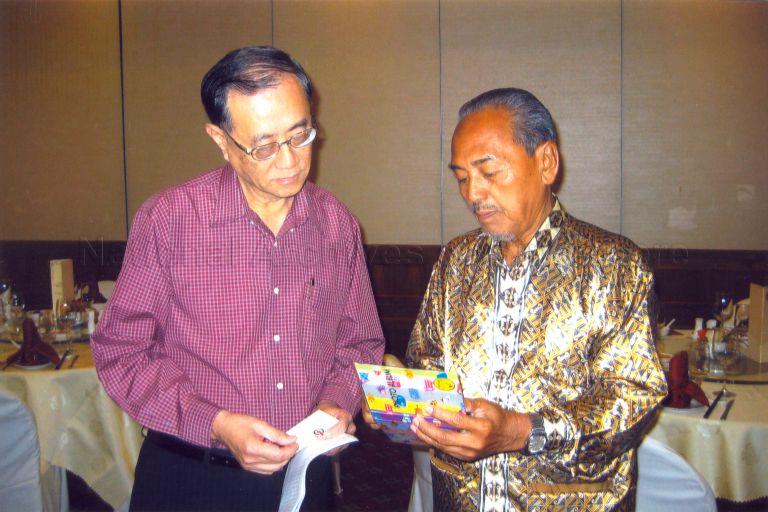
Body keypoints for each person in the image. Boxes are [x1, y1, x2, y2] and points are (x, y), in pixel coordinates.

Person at [92, 46, 385, 511]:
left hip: (304, 478)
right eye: (264, 146)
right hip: (191, 477)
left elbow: (360, 344)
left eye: (300, 134)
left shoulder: (336, 225)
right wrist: (214, 422)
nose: (289, 161)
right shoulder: (170, 221)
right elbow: (120, 352)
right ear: (221, 140)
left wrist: (337, 403)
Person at [367, 88, 667, 511]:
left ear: (545, 162)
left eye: (489, 171)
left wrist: (522, 431)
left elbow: (631, 399)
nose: (473, 194)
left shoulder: (613, 265)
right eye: (462, 177)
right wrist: (399, 407)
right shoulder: (456, 262)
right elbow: (427, 365)